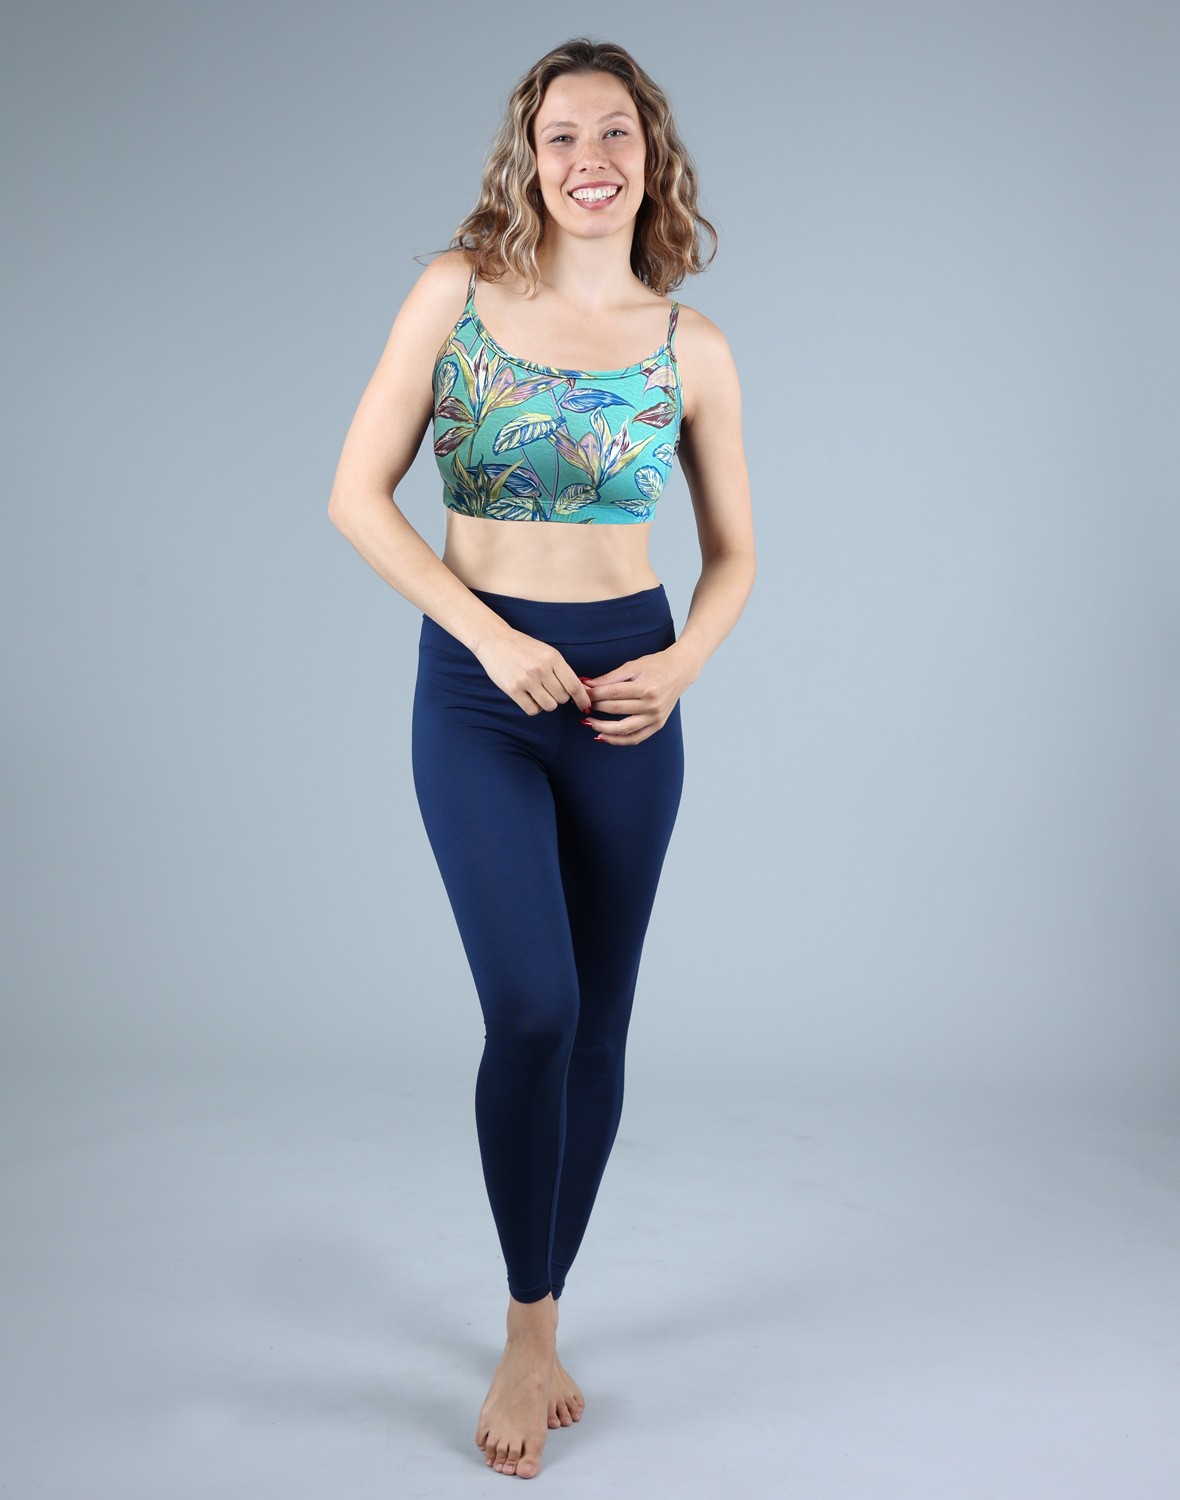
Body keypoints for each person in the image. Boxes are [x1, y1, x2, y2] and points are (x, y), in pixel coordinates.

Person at [328, 36, 754, 1480]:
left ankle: (536, 1325)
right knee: (532, 1008)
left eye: (615, 133)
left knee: (601, 1028)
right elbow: (357, 496)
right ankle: (527, 1324)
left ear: (652, 156)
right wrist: (487, 635)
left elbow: (738, 555)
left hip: (629, 699)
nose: (590, 159)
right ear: (528, 155)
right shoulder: (456, 293)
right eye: (563, 134)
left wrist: (680, 666)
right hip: (479, 689)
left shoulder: (692, 346)